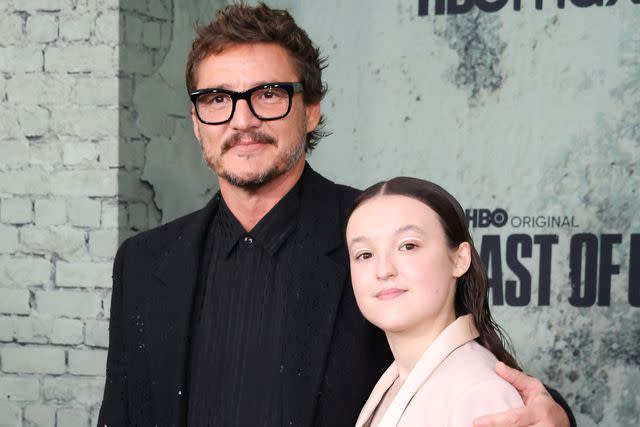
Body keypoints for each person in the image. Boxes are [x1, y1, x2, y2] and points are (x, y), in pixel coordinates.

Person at [97, 3, 575, 426]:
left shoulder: (373, 238)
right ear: (197, 123)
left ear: (310, 110)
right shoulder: (143, 262)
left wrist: (553, 415)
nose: (242, 121)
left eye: (267, 94)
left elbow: (463, 368)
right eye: (218, 100)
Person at [346, 177, 523, 426]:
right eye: (364, 254)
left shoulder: (481, 394)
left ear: (460, 259)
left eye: (408, 246)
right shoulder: (397, 380)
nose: (383, 270)